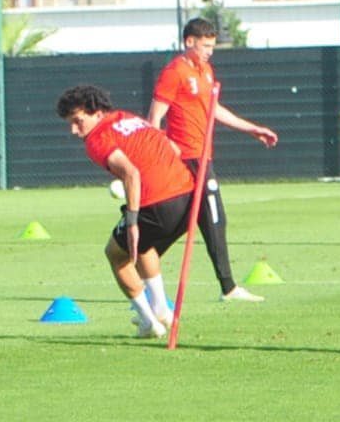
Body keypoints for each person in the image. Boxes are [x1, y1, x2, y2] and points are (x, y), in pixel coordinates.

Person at [148, 18, 278, 302]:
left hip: (203, 156)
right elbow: (154, 118)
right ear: (189, 42)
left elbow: (213, 110)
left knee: (190, 221)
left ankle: (146, 267)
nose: (209, 51)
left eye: (212, 46)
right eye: (205, 46)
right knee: (214, 216)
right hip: (187, 158)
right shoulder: (174, 72)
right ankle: (227, 288)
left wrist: (252, 129)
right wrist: (164, 150)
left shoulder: (205, 71)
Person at [57, 84, 195, 339]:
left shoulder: (97, 139)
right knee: (143, 246)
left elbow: (131, 173)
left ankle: (148, 322)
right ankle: (161, 310)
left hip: (158, 203)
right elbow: (173, 148)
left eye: (78, 121)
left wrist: (132, 221)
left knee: (116, 254)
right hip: (187, 198)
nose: (74, 131)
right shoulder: (128, 118)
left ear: (96, 112)